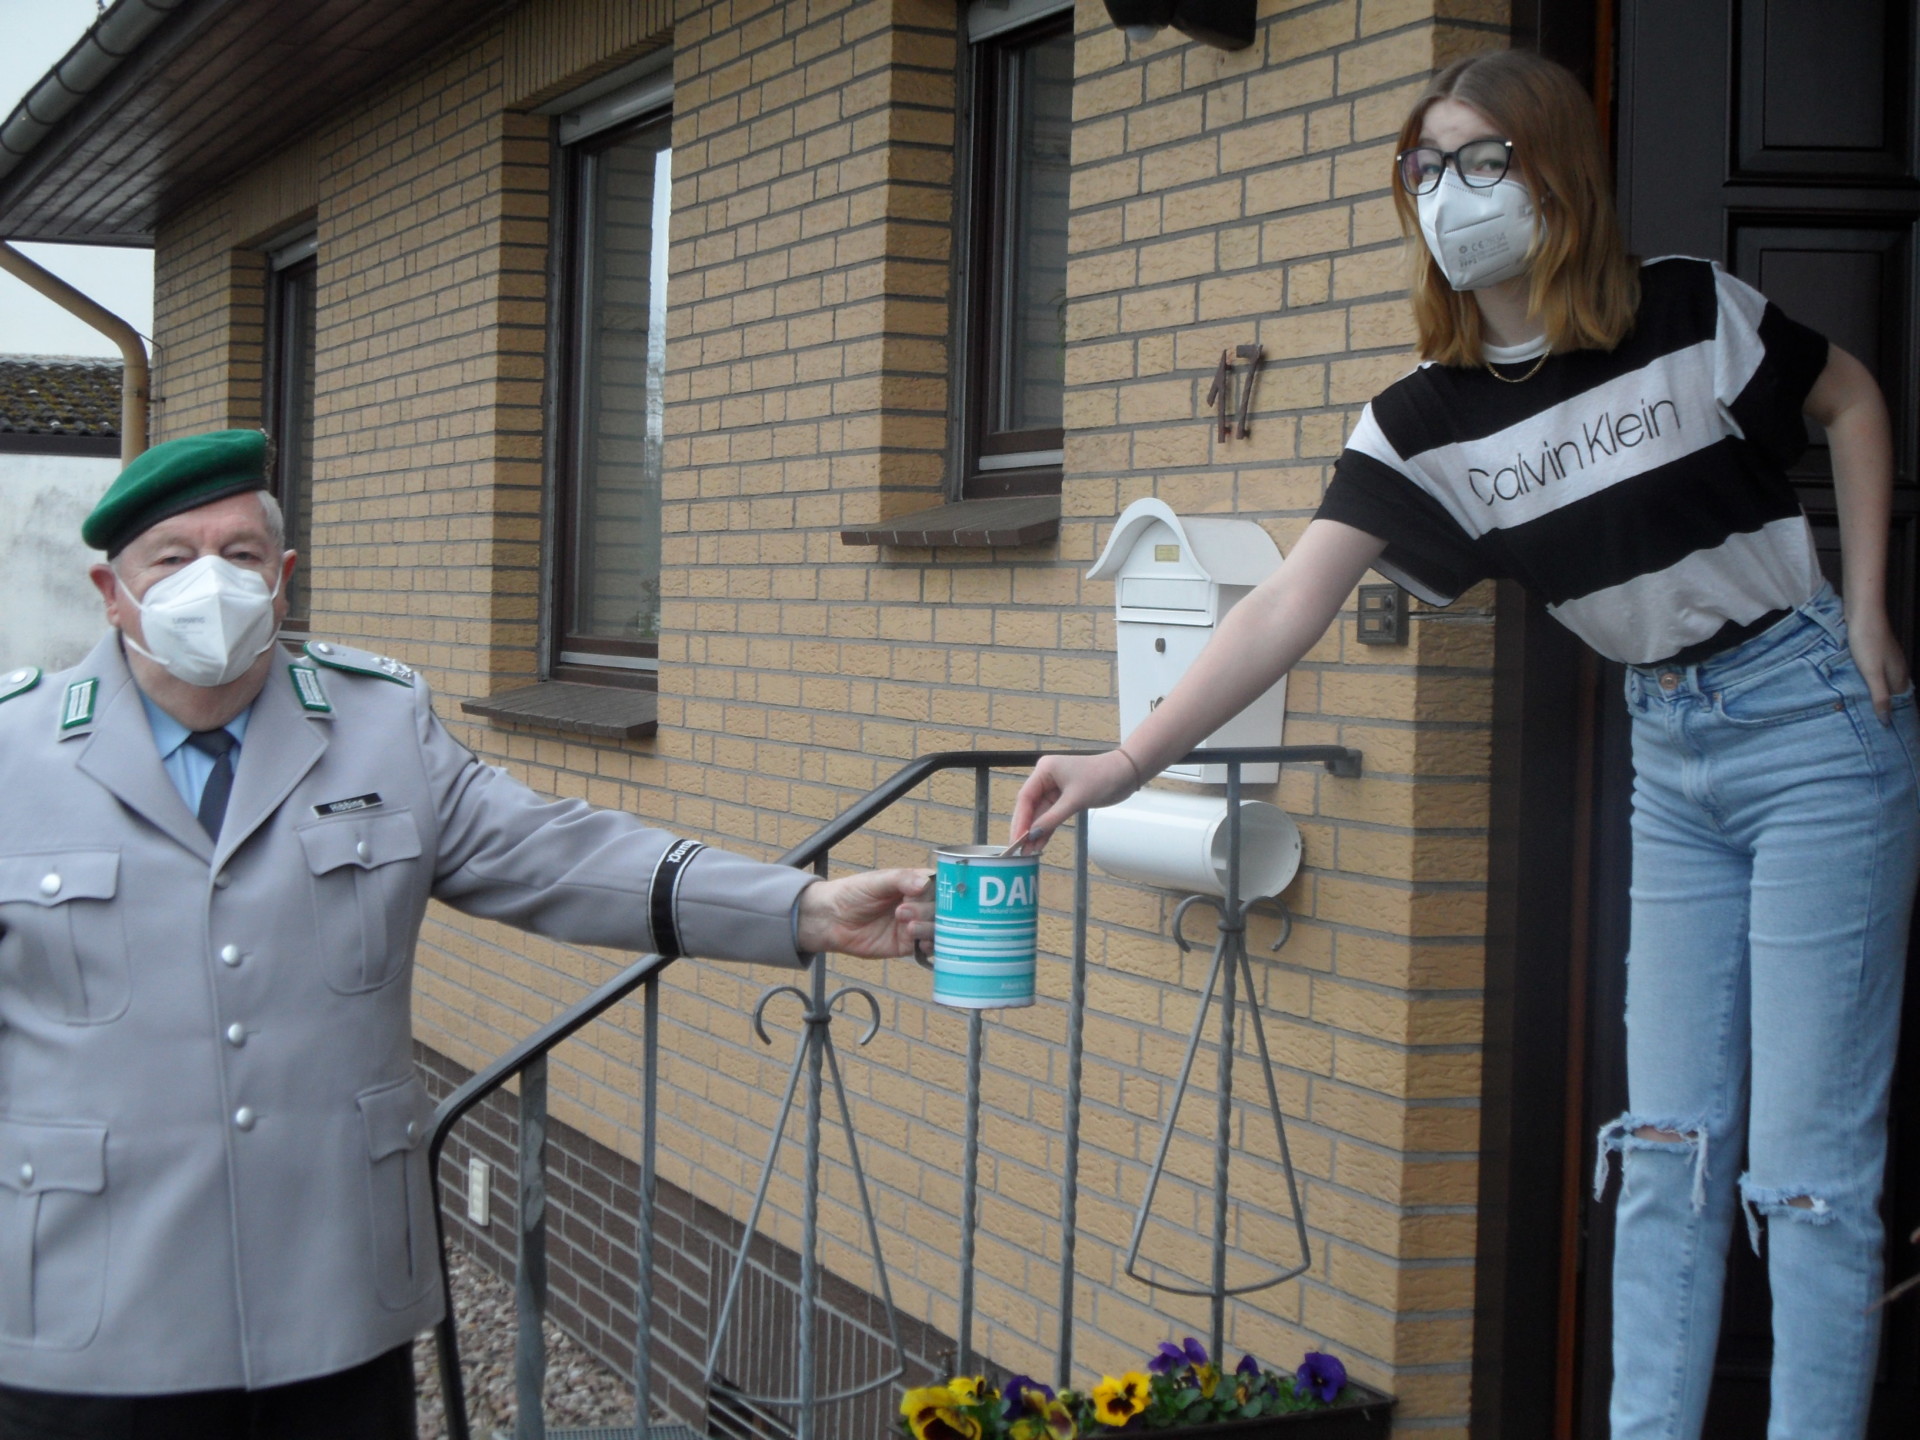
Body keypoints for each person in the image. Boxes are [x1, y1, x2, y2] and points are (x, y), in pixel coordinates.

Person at [1012, 48, 1918, 1440]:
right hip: (1669, 754)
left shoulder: (1685, 309)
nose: (1450, 191)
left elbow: (1850, 397)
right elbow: (1283, 605)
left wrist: (1864, 612)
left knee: (1807, 1171)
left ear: (1554, 172)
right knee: (1664, 1152)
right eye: (1425, 166)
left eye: (1482, 159)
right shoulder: (1423, 421)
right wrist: (1124, 762)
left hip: (1810, 727)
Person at [0, 428, 932, 1439]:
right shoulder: (15, 756)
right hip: (91, 1319)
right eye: (173, 560)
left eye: (241, 556)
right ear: (110, 590)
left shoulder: (377, 727)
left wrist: (800, 908)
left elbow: (559, 854)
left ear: (283, 579)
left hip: (329, 1311)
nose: (210, 583)